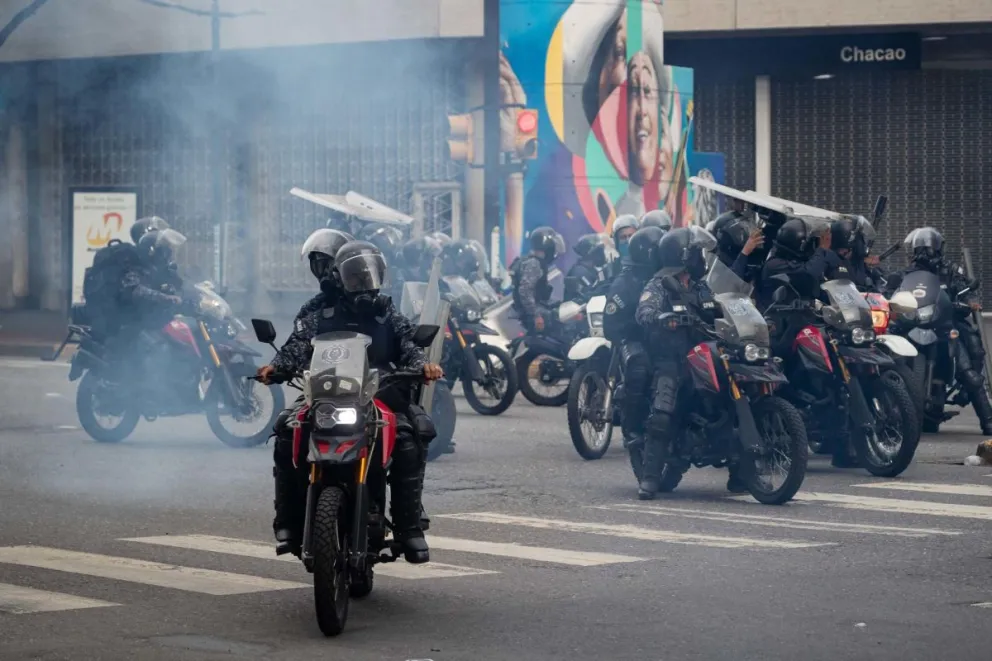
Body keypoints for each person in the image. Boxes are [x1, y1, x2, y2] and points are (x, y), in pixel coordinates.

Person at [257, 240, 445, 563]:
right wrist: (277, 367)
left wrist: (422, 366)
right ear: (340, 278)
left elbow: (409, 346)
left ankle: (409, 527)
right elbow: (297, 344)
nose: (363, 284)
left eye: (367, 276)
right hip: (326, 391)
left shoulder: (387, 314)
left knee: (408, 437)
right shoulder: (321, 314)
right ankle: (288, 522)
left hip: (380, 392)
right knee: (287, 431)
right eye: (356, 277)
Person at [635, 226, 723, 499]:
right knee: (662, 413)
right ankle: (649, 477)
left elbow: (716, 307)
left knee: (729, 402)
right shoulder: (659, 283)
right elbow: (643, 311)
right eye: (696, 253)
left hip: (702, 355)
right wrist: (663, 318)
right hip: (671, 360)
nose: (701, 259)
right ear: (683, 256)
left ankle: (743, 470)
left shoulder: (699, 286)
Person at [896, 228, 992, 434]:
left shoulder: (950, 269)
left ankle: (988, 420)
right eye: (921, 248)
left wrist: (968, 302)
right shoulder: (908, 272)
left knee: (969, 368)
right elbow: (896, 288)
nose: (924, 252)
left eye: (928, 248)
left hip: (946, 322)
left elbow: (964, 288)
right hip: (918, 322)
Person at [603, 225, 663, 449]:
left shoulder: (671, 275)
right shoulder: (626, 282)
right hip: (637, 340)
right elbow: (612, 324)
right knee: (638, 366)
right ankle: (632, 427)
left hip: (668, 339)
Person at [754, 217, 833, 310]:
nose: (814, 247)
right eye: (813, 243)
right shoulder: (775, 265)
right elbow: (809, 274)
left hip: (803, 316)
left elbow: (820, 287)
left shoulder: (802, 262)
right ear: (800, 244)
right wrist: (822, 249)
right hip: (777, 318)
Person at [509, 226, 565, 334]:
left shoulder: (532, 262)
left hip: (531, 309)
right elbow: (525, 291)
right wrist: (536, 316)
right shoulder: (534, 264)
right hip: (531, 313)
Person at [710, 209, 765, 282]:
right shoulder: (721, 262)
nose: (745, 235)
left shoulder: (754, 253)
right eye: (739, 233)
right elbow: (732, 279)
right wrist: (744, 252)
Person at [564, 234, 610, 302]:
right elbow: (590, 297)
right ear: (590, 254)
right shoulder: (580, 272)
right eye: (598, 251)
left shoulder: (592, 270)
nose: (601, 254)